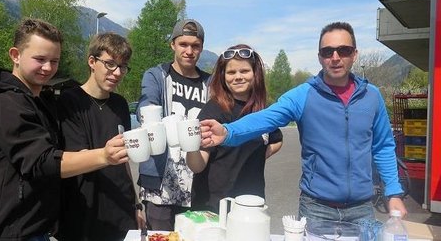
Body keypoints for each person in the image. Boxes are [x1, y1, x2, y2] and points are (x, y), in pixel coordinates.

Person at [200, 22, 407, 223]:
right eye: (327, 52)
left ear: (354, 54)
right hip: (316, 208)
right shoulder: (303, 95)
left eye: (343, 50)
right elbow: (266, 118)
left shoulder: (372, 96)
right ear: (319, 57)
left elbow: (383, 146)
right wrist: (228, 132)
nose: (335, 58)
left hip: (362, 208)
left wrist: (393, 192)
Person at [0, 18, 129, 241]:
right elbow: (41, 162)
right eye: (40, 59)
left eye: (54, 61)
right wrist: (104, 155)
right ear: (15, 55)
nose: (48, 68)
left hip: (35, 229)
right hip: (2, 232)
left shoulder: (40, 101)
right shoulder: (5, 104)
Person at [56, 33, 144, 241]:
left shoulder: (121, 104)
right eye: (110, 64)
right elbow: (73, 158)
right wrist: (105, 154)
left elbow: (125, 161)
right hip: (85, 213)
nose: (117, 73)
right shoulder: (69, 102)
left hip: (122, 212)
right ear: (92, 62)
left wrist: (137, 203)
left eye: (122, 66)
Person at [186, 44, 283, 213]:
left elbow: (277, 139)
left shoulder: (264, 110)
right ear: (223, 77)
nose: (237, 77)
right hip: (214, 206)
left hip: (252, 204)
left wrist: (259, 155)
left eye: (244, 71)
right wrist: (190, 146)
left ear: (255, 73)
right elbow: (197, 165)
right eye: (231, 72)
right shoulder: (213, 110)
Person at [137, 19, 211, 230]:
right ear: (173, 44)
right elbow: (147, 110)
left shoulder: (210, 83)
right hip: (161, 184)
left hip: (198, 183)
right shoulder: (157, 76)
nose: (189, 51)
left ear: (202, 48)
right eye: (183, 44)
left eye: (195, 46)